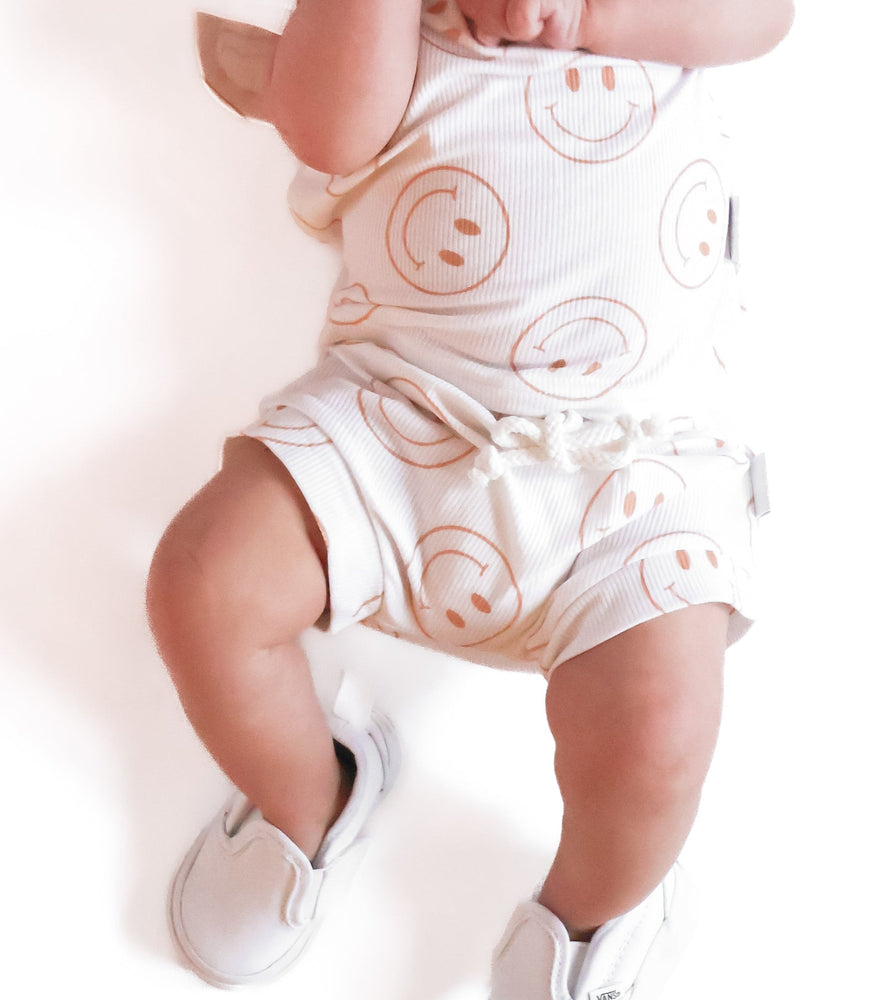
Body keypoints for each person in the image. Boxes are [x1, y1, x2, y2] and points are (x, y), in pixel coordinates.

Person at [147, 0, 793, 995]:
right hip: (399, 422)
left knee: (659, 731)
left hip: (637, 469)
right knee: (203, 584)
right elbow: (325, 127)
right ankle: (307, 792)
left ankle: (591, 910)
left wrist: (591, 17)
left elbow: (762, 16)